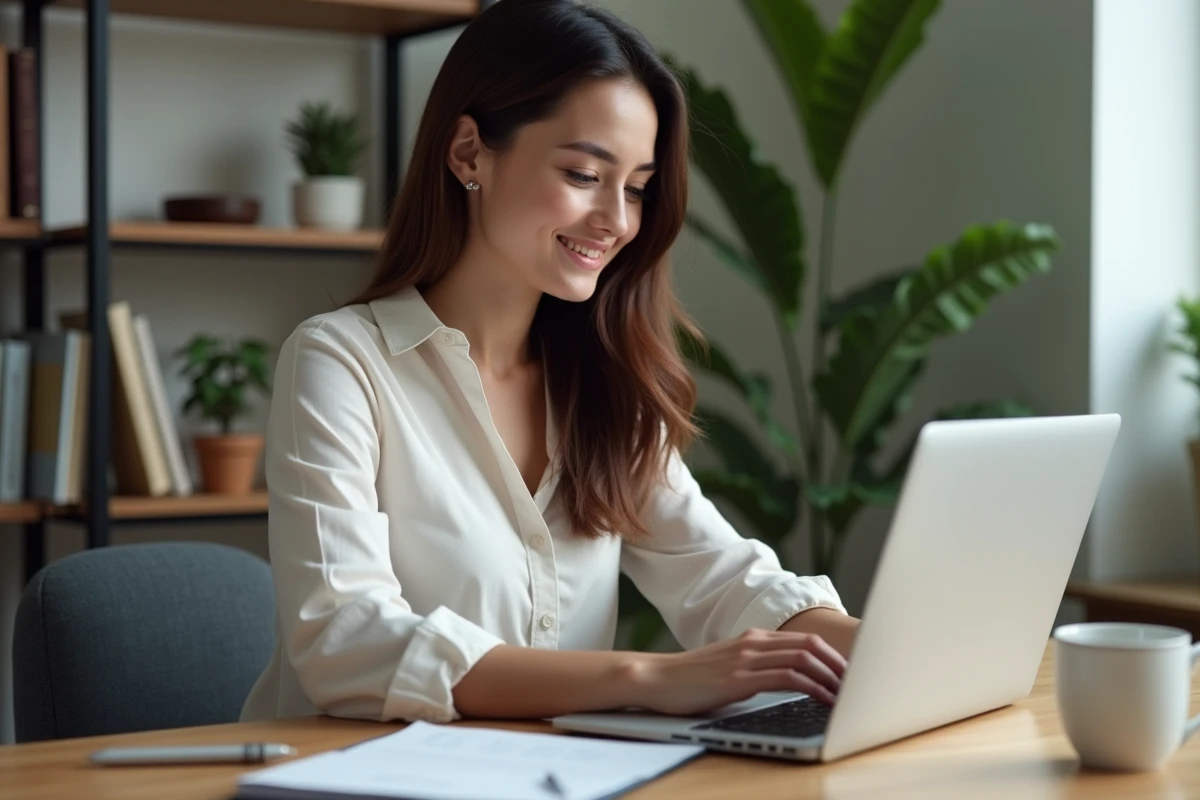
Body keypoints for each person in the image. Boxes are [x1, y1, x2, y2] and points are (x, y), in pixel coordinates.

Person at [239, 0, 860, 727]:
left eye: (635, 187)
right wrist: (646, 676)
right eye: (583, 173)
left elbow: (727, 580)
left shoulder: (603, 386)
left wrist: (896, 650)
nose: (618, 220)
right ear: (469, 152)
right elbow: (347, 642)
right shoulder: (341, 364)